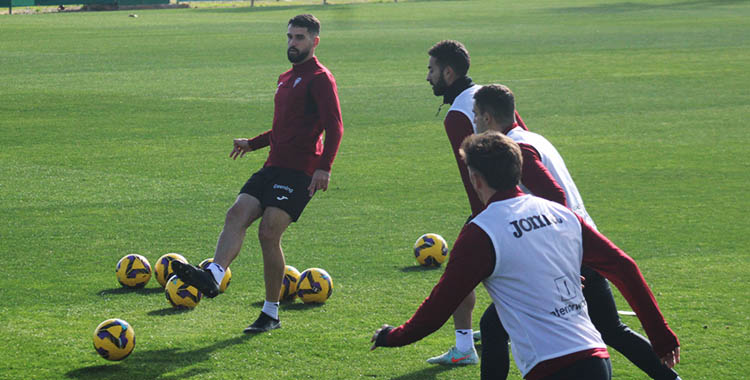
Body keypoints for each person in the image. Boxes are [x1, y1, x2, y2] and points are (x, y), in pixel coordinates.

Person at [370, 131, 680, 380]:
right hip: (596, 359)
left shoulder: (481, 232)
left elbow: (439, 306)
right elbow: (623, 266)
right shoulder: (561, 214)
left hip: (552, 368)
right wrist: (661, 336)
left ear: (476, 179)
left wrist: (393, 336)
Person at [470, 84, 681, 380]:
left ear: (489, 118)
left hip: (570, 252)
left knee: (493, 326)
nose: (474, 122)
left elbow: (555, 197)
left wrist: (565, 258)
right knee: (610, 329)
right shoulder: (532, 138)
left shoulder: (519, 150)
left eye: (476, 115)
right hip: (582, 245)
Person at [172, 14, 343, 333]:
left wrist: (324, 167)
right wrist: (253, 143)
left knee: (268, 232)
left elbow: (334, 126)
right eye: (290, 37)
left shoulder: (320, 78)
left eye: (300, 38)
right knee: (236, 213)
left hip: (300, 171)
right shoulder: (284, 78)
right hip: (273, 166)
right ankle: (214, 275)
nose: (293, 43)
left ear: (315, 41)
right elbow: (283, 128)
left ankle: (271, 313)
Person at [423, 39, 528, 366]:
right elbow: (521, 137)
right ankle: (495, 327)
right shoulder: (486, 95)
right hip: (525, 195)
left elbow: (472, 175)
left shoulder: (456, 116)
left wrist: (482, 219)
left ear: (449, 72)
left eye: (431, 70)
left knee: (461, 269)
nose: (428, 77)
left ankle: (465, 347)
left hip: (498, 205)